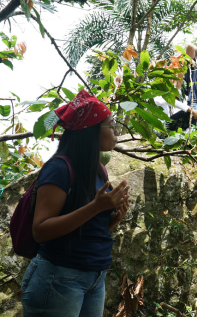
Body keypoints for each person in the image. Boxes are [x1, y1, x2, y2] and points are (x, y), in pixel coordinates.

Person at [21, 91, 130, 316]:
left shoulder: (98, 169)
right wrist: (97, 206)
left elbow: (83, 230)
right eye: (111, 125)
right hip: (58, 278)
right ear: (91, 132)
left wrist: (112, 218)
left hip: (94, 277)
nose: (116, 131)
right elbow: (40, 231)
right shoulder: (59, 169)